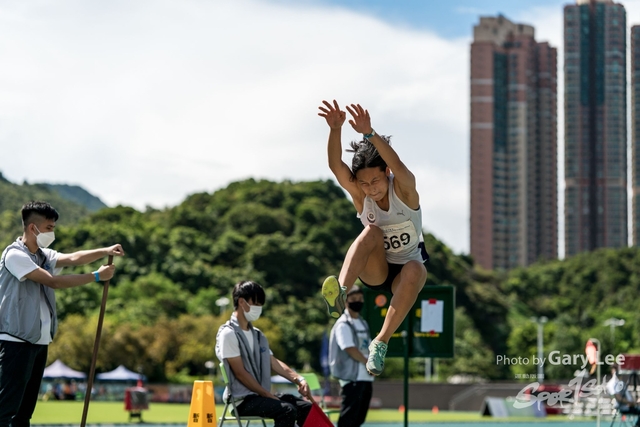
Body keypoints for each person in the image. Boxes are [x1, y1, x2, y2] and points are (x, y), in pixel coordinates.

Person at [318, 100, 429, 376]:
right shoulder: (362, 196)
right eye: (364, 184)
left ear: (386, 174)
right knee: (371, 231)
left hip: (404, 273)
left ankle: (380, 343)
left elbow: (399, 165)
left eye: (376, 182)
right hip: (376, 270)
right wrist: (335, 129)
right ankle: (339, 292)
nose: (371, 189)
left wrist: (369, 134)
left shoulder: (404, 191)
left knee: (416, 268)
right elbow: (336, 166)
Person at [0, 201, 124, 427]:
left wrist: (104, 251)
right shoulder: (15, 256)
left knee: (25, 413)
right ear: (32, 228)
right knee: (6, 409)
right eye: (49, 228)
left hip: (38, 342)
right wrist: (96, 276)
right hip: (16, 342)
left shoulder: (43, 255)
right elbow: (53, 282)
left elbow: (74, 258)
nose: (52, 232)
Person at [215, 280, 312, 427]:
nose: (259, 308)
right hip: (241, 401)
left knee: (306, 408)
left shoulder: (258, 335)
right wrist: (268, 395)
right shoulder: (228, 334)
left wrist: (299, 379)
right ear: (242, 302)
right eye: (256, 304)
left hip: (260, 396)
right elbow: (240, 373)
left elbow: (273, 362)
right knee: (286, 410)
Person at [329, 285, 373, 427]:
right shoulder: (343, 324)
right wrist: (367, 363)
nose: (358, 302)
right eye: (353, 299)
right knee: (348, 418)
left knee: (359, 418)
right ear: (345, 301)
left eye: (360, 298)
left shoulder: (363, 323)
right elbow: (349, 348)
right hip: (352, 377)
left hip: (366, 377)